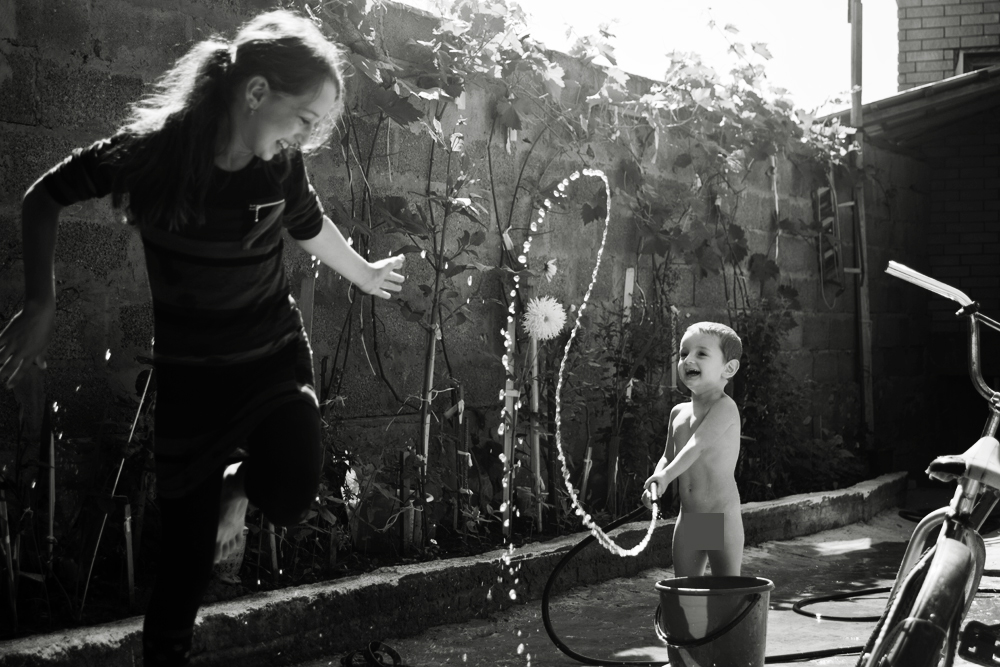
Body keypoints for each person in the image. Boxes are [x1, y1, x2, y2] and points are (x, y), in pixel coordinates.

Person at [0, 10, 404, 666]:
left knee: (296, 482)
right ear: (255, 94)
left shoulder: (281, 168)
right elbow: (43, 196)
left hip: (271, 356)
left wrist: (362, 272)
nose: (307, 137)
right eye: (304, 119)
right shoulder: (151, 153)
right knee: (185, 566)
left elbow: (309, 223)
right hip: (192, 379)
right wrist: (41, 300)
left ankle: (236, 487)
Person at [643, 321, 744, 578]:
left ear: (728, 368)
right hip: (689, 519)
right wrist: (655, 483)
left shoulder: (724, 407)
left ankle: (730, 617)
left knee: (728, 591)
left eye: (701, 353)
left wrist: (666, 477)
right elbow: (668, 456)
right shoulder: (678, 412)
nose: (688, 359)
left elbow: (696, 446)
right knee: (685, 590)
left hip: (720, 516)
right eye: (683, 353)